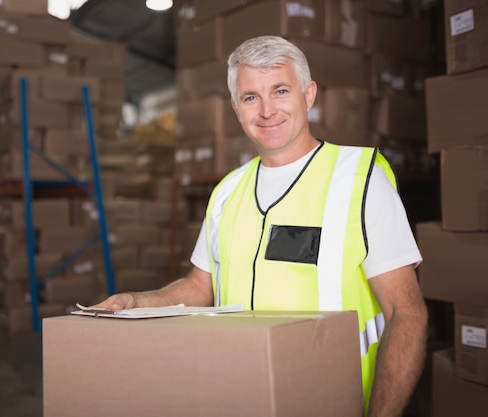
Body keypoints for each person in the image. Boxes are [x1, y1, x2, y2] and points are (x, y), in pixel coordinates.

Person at [92, 35, 428, 417]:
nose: (267, 110)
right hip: (241, 396)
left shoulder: (360, 178)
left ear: (309, 94)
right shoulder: (227, 191)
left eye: (280, 91)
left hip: (334, 400)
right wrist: (138, 303)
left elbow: (408, 313)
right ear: (236, 108)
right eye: (251, 97)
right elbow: (201, 285)